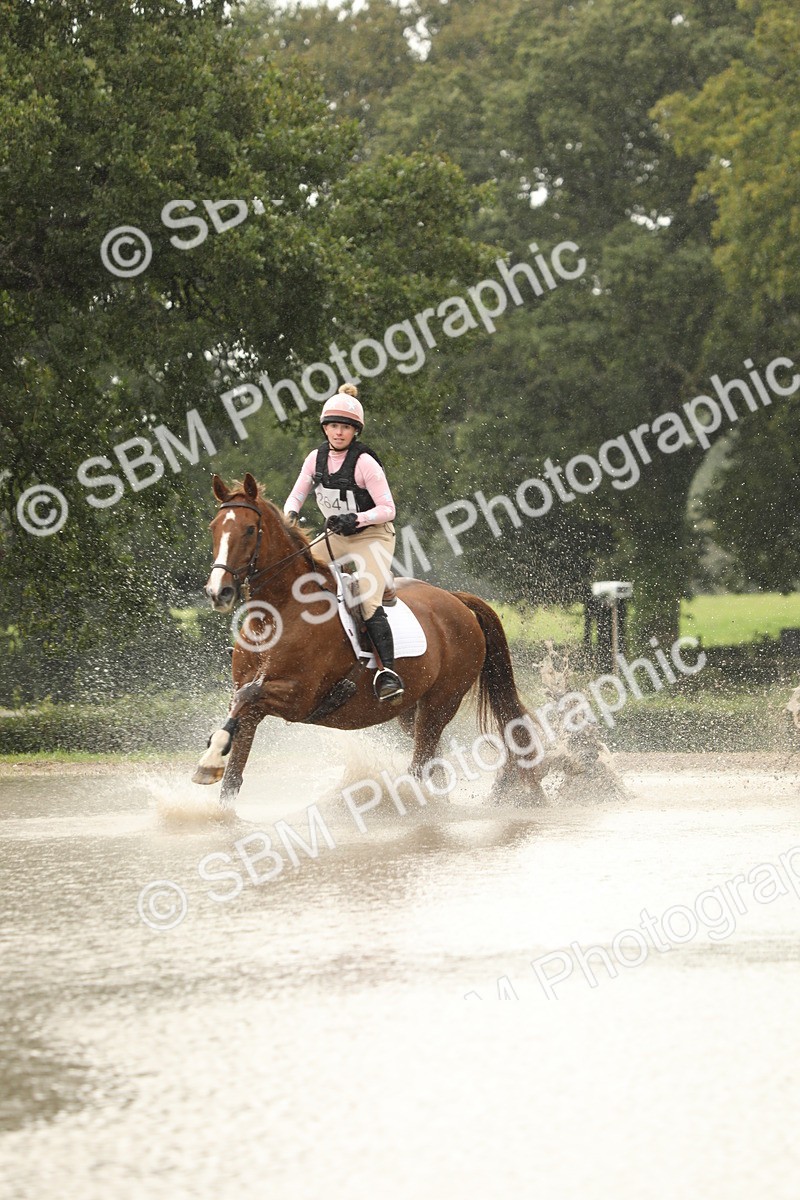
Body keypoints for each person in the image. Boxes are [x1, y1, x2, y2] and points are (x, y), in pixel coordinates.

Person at [284, 383, 405, 702]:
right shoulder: (315, 459)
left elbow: (388, 509)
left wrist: (357, 518)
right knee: (293, 572)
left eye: (345, 428)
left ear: (355, 431)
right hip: (336, 536)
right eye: (333, 426)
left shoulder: (365, 462)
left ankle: (387, 673)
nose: (338, 433)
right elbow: (298, 492)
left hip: (372, 536)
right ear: (325, 428)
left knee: (366, 601)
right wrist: (290, 514)